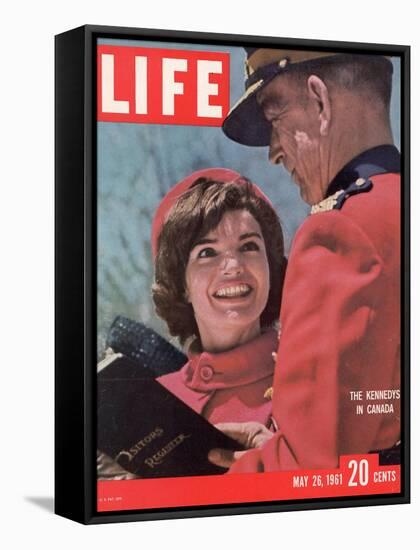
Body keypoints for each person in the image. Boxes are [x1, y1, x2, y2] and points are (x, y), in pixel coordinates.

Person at [208, 49, 401, 471]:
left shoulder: (340, 232)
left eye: (275, 120)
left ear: (319, 102)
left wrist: (200, 479)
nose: (273, 153)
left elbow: (311, 472)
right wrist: (280, 439)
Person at [152, 168, 286, 429]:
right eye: (208, 252)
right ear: (181, 284)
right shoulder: (152, 403)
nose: (233, 266)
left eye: (249, 246)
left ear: (270, 267)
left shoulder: (309, 376)